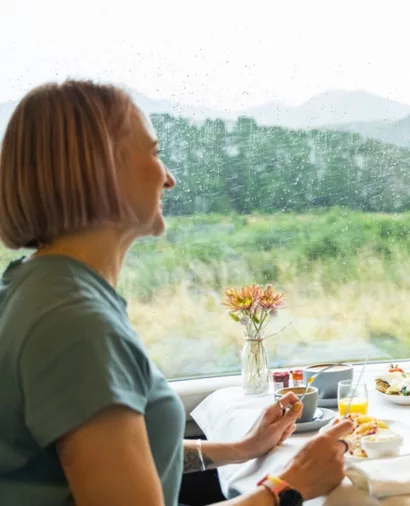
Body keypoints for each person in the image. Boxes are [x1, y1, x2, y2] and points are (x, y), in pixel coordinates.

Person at [0, 80, 350, 506]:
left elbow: (120, 454)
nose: (169, 178)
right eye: (152, 152)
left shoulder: (40, 288)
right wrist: (288, 488)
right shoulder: (75, 322)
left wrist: (243, 449)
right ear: (102, 169)